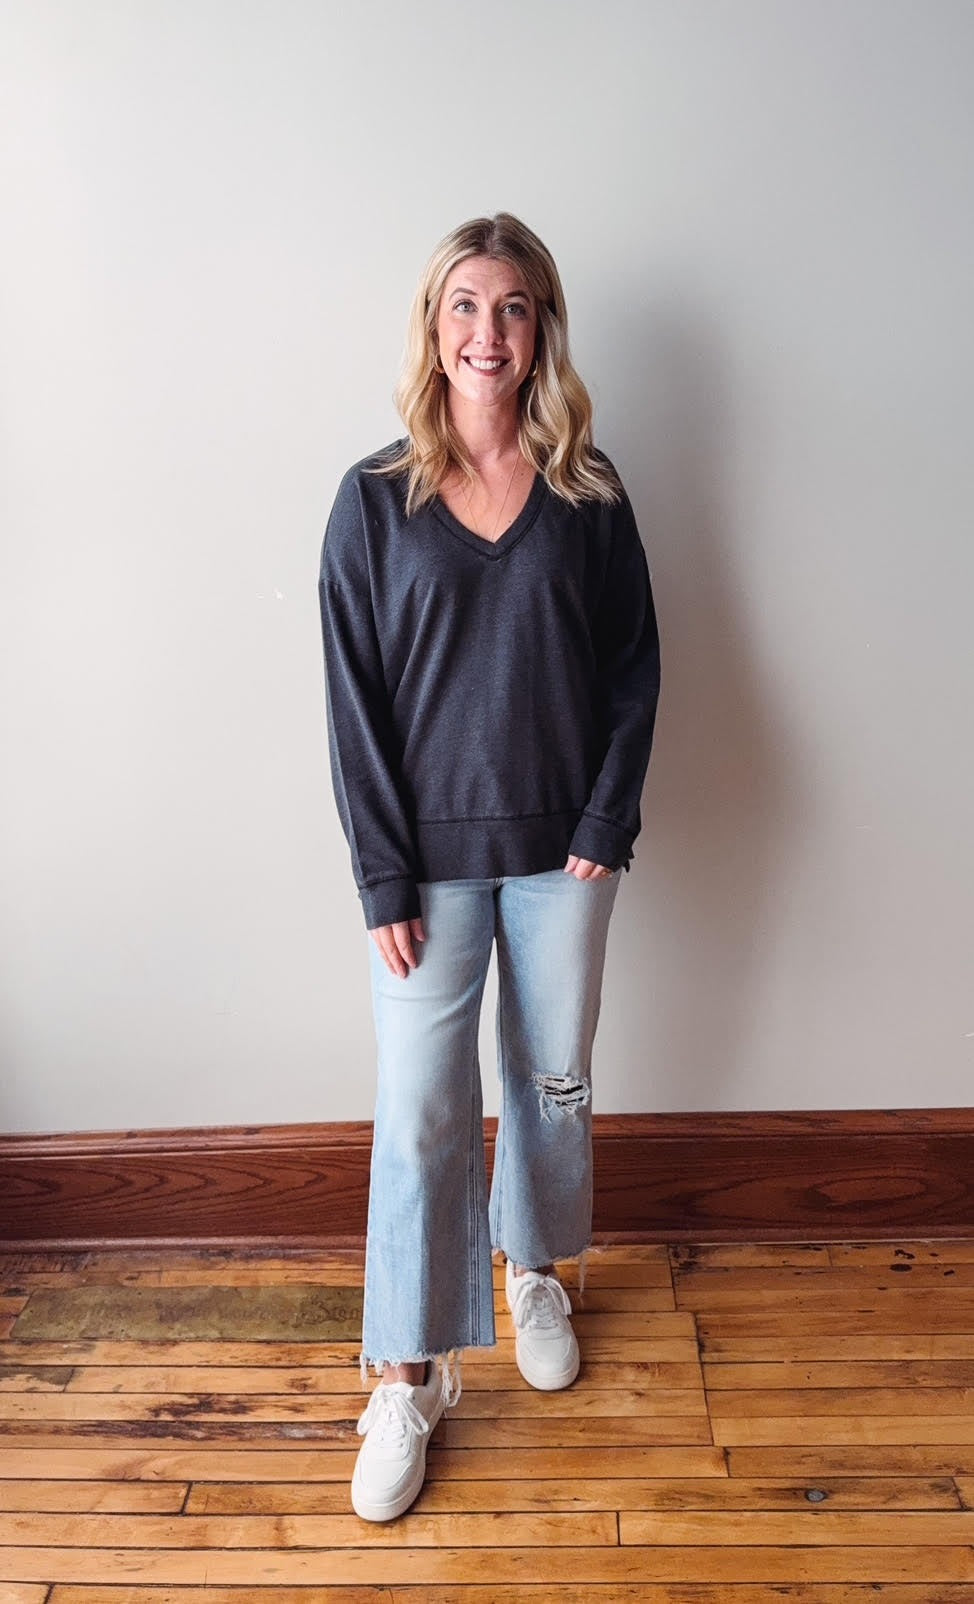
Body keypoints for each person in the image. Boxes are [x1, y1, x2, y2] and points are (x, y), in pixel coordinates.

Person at [317, 212, 661, 1522]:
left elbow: (634, 668)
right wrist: (381, 876)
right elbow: (353, 703)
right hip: (427, 867)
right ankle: (406, 1374)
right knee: (419, 1110)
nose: (487, 331)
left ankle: (536, 1272)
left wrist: (605, 822)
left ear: (540, 330)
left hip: (565, 856)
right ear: (434, 325)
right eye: (465, 304)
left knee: (552, 1081)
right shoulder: (371, 501)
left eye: (512, 306)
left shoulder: (589, 491)